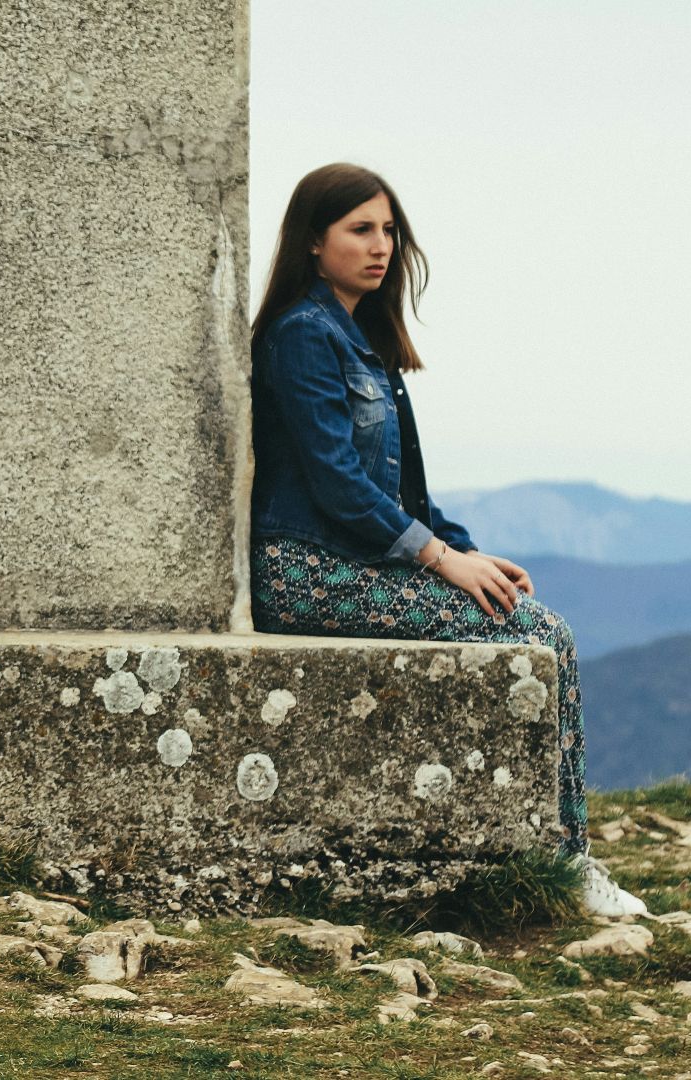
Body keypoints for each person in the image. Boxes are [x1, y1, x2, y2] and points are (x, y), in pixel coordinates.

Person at [248, 162, 644, 918]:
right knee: (540, 632)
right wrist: (440, 560)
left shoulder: (360, 336)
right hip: (304, 570)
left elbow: (404, 492)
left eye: (389, 230)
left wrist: (467, 548)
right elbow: (336, 483)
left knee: (546, 631)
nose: (382, 246)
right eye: (360, 229)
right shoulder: (303, 335)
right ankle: (567, 863)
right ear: (311, 241)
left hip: (353, 560)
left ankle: (568, 857)